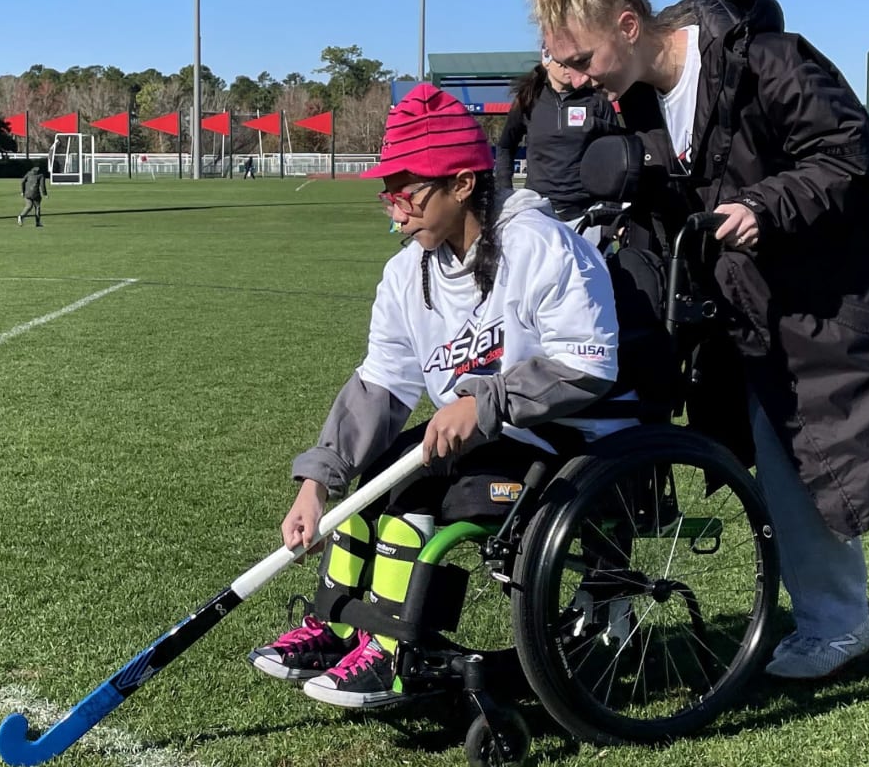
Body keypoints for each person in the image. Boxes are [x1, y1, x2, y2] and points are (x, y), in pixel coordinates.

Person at [530, 0, 869, 681]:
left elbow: (856, 158)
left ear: (628, 26)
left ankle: (837, 625)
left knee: (803, 460)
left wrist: (767, 203)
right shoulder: (630, 99)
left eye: (579, 61)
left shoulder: (770, 60)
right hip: (748, 304)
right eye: (559, 64)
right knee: (778, 454)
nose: (571, 81)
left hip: (836, 291)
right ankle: (828, 615)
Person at [246, 83, 633, 708]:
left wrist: (486, 400)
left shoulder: (541, 246)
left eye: (408, 193)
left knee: (421, 491)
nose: (394, 211)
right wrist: (318, 482)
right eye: (387, 195)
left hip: (560, 440)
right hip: (483, 436)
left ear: (461, 184)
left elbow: (588, 366)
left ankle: (395, 651)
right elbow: (381, 383)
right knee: (372, 470)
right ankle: (340, 627)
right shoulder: (407, 273)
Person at [494, 49, 622, 224]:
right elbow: (505, 147)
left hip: (585, 211)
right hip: (537, 212)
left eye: (575, 64)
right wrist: (505, 192)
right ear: (546, 62)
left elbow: (614, 154)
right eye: (563, 64)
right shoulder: (528, 98)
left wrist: (610, 206)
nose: (570, 70)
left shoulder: (597, 101)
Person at [18, 163, 48, 227]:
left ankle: (21, 216)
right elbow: (42, 185)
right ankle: (38, 222)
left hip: (27, 193)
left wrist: (22, 191)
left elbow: (22, 181)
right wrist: (45, 194)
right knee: (37, 207)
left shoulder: (28, 173)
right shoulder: (41, 175)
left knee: (28, 206)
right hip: (35, 194)